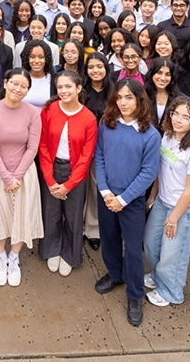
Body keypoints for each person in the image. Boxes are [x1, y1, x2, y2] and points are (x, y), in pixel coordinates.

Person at [92, 78, 161, 327]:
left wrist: (122, 199)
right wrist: (105, 191)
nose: (123, 102)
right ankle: (115, 273)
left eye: (129, 97)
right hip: (107, 196)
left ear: (140, 100)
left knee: (132, 249)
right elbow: (99, 156)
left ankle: (134, 294)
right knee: (109, 238)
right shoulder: (107, 123)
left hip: (130, 201)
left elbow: (148, 172)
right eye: (119, 97)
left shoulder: (150, 134)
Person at [143, 96, 190, 307]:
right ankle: (158, 276)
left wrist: (173, 218)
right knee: (151, 244)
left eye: (186, 117)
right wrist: (153, 195)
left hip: (184, 211)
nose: (178, 120)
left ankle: (171, 292)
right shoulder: (167, 136)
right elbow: (160, 170)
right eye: (175, 114)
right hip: (162, 202)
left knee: (173, 255)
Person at [0, 68, 44, 287]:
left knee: (21, 216)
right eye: (15, 83)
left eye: (24, 86)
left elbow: (32, 147)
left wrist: (16, 176)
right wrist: (7, 178)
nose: (18, 89)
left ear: (28, 90)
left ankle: (14, 257)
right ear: (6, 83)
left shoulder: (32, 113)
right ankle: (1, 257)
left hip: (24, 174)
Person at [38, 70, 97, 277]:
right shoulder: (49, 110)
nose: (63, 91)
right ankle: (52, 249)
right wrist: (49, 179)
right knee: (51, 212)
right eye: (60, 87)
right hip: (51, 168)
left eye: (68, 86)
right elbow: (43, 145)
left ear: (78, 88)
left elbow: (86, 156)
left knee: (73, 215)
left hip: (76, 173)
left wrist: (69, 185)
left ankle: (69, 255)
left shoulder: (89, 118)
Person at [82, 52, 114, 249]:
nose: (95, 70)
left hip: (103, 148)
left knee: (95, 187)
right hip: (79, 146)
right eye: (91, 67)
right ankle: (76, 226)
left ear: (106, 68)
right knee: (78, 187)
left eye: (99, 66)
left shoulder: (114, 91)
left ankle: (93, 229)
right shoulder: (80, 90)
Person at [144, 57, 182, 127]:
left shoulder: (179, 98)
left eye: (167, 74)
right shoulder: (142, 94)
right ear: (152, 74)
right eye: (159, 73)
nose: (162, 78)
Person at [19, 39, 55, 110]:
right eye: (32, 57)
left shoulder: (54, 80)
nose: (36, 61)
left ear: (46, 59)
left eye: (41, 57)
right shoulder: (20, 78)